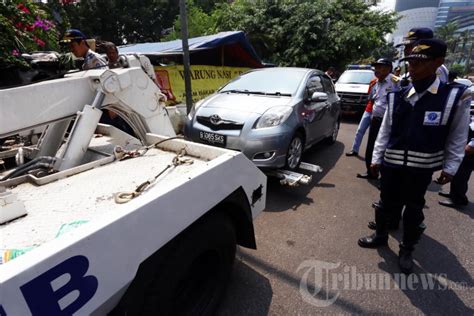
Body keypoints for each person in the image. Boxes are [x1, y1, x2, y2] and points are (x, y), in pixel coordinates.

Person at [358, 39, 472, 274]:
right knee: (385, 202)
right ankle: (380, 235)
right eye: (410, 61)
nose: (412, 67)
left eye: (420, 63)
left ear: (438, 63)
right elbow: (385, 130)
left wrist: (450, 168)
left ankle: (407, 248)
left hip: (421, 167)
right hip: (392, 163)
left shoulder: (453, 97)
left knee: (413, 209)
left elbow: (457, 136)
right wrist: (376, 158)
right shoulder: (397, 95)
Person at [356, 58, 400, 179]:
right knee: (371, 146)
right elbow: (372, 99)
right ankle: (370, 171)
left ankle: (384, 178)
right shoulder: (375, 83)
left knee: (385, 149)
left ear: (388, 69)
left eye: (380, 67)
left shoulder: (395, 82)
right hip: (375, 119)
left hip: (389, 122)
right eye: (376, 67)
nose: (377, 70)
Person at [438, 128, 474, 207]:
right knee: (456, 174)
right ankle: (453, 194)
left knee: (461, 177)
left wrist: (471, 146)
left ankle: (458, 200)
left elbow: (470, 148)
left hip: (470, 153)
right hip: (466, 147)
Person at [346, 78, 377, 156]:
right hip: (369, 109)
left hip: (379, 113)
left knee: (374, 135)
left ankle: (373, 155)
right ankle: (354, 150)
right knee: (360, 130)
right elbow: (369, 97)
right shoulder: (373, 82)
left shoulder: (391, 82)